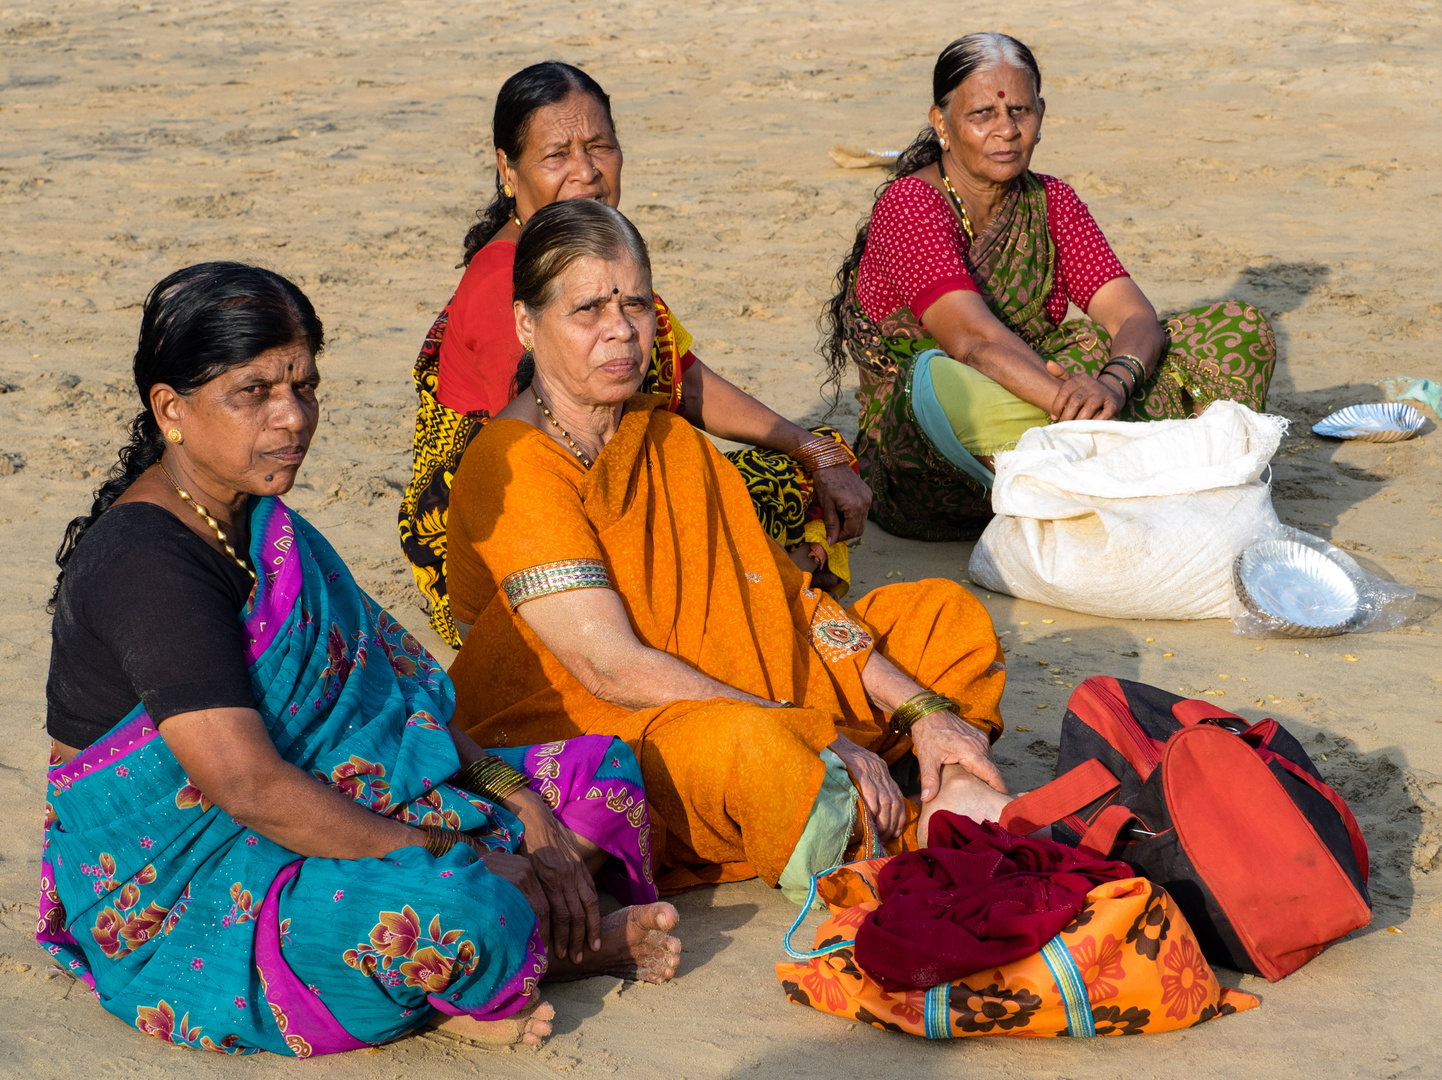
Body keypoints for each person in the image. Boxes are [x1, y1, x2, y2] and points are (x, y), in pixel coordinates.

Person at [39, 263, 680, 1057]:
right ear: (171, 409)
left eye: (303, 386)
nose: (292, 418)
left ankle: (513, 948)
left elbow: (402, 705)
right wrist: (463, 852)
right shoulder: (148, 564)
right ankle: (551, 947)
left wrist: (523, 808)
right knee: (458, 911)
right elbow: (247, 786)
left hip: (345, 808)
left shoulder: (266, 526)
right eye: (256, 392)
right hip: (195, 887)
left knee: (602, 777)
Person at [444, 200, 1017, 904]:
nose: (621, 331)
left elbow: (790, 603)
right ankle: (901, 835)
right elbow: (611, 667)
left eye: (636, 304)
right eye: (588, 309)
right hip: (604, 726)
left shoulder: (668, 439)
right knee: (758, 755)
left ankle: (948, 777)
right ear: (528, 326)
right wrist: (813, 734)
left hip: (740, 680)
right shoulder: (514, 463)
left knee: (944, 616)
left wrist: (924, 711)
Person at [401, 61, 872, 647]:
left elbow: (681, 377)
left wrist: (809, 446)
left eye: (600, 146)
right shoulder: (507, 281)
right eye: (557, 156)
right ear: (507, 168)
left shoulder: (593, 256)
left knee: (794, 471)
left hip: (608, 471)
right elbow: (541, 453)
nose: (587, 172)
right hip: (511, 526)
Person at [821, 33, 1277, 541]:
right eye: (982, 116)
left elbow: (1132, 317)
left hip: (1048, 397)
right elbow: (972, 342)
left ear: (1042, 112)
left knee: (1239, 327)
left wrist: (1111, 385)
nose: (1007, 131)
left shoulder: (1052, 201)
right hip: (932, 443)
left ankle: (1102, 470)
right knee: (938, 380)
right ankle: (1135, 464)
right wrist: (1072, 402)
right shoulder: (911, 205)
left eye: (1020, 111)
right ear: (941, 124)